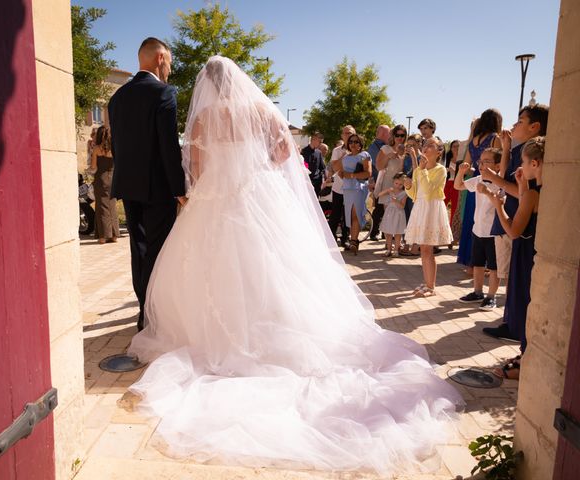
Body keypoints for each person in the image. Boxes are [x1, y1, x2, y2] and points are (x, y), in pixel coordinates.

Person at [127, 56, 462, 474]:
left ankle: (215, 335)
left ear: (207, 85)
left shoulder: (204, 118)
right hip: (256, 194)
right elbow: (285, 151)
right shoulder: (262, 111)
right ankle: (274, 327)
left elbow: (195, 168)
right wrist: (255, 169)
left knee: (212, 269)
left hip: (218, 200)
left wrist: (212, 184)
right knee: (273, 268)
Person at [108, 37, 187, 331]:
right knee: (158, 250)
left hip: (128, 184)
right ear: (159, 59)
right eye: (169, 61)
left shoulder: (117, 98)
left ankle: (144, 310)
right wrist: (179, 189)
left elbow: (118, 146)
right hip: (158, 188)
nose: (169, 68)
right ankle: (153, 314)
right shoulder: (163, 93)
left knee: (138, 250)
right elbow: (169, 146)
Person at [480, 104, 548, 341]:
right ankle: (511, 322)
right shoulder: (522, 152)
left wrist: (494, 184)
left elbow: (520, 195)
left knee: (519, 282)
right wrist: (507, 148)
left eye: (520, 121)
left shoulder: (532, 157)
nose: (514, 124)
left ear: (534, 127)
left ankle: (516, 327)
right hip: (515, 221)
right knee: (513, 279)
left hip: (517, 225)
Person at [483, 137, 545, 380]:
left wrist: (497, 205)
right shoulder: (537, 191)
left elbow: (514, 231)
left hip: (525, 253)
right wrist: (521, 187)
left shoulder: (531, 195)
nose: (520, 167)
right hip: (533, 251)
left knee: (524, 301)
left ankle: (526, 358)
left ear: (536, 164)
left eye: (524, 162)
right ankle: (525, 353)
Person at [454, 148, 502, 310]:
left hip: (494, 232)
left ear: (497, 165)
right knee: (478, 263)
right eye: (480, 161)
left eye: (487, 161)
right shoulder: (478, 179)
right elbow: (458, 185)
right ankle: (477, 292)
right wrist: (461, 172)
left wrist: (488, 192)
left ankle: (491, 296)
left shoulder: (501, 182)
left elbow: (501, 203)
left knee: (494, 267)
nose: (481, 164)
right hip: (478, 229)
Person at [404, 138, 452, 297]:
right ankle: (427, 283)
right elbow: (415, 194)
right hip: (421, 207)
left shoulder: (441, 170)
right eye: (425, 145)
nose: (425, 147)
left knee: (428, 249)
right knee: (423, 249)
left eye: (430, 145)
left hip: (431, 209)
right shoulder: (419, 169)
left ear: (439, 152)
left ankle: (431, 287)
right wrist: (408, 187)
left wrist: (423, 170)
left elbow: (431, 190)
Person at [456, 109, 502, 269]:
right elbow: (501, 161)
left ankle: (471, 263)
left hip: (473, 181)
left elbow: (468, 166)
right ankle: (489, 264)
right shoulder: (495, 138)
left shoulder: (473, 140)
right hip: (490, 181)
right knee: (488, 222)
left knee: (472, 222)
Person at [340, 133, 372, 255]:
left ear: (361, 144)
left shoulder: (364, 155)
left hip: (359, 188)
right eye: (351, 141)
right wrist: (341, 174)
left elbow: (368, 173)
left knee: (355, 214)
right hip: (347, 189)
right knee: (350, 215)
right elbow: (338, 170)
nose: (353, 144)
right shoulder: (346, 157)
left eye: (356, 142)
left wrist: (351, 175)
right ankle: (353, 240)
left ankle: (353, 241)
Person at [90, 126, 120, 243]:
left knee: (101, 207)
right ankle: (114, 235)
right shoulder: (114, 148)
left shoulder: (96, 149)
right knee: (112, 207)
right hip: (112, 179)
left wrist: (89, 170)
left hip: (100, 180)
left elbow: (93, 167)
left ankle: (102, 237)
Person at [374, 125, 406, 226]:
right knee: (388, 215)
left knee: (399, 216)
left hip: (403, 187)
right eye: (397, 135)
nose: (400, 138)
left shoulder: (408, 150)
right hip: (388, 185)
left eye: (402, 135)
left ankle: (394, 239)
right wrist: (388, 157)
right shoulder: (386, 148)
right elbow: (379, 167)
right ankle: (388, 240)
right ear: (393, 136)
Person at [328, 126, 355, 247]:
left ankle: (346, 238)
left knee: (348, 215)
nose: (347, 135)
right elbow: (335, 167)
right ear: (342, 136)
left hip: (352, 188)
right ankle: (331, 237)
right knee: (335, 214)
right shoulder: (337, 150)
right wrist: (345, 157)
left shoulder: (359, 151)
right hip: (338, 188)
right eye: (345, 133)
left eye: (350, 133)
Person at [366, 125, 390, 240]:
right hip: (379, 183)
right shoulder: (375, 147)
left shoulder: (380, 146)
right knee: (380, 208)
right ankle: (374, 232)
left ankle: (384, 232)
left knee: (386, 208)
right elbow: (378, 164)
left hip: (386, 182)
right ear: (384, 134)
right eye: (389, 133)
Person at [378, 172, 407, 257]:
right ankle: (388, 249)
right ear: (393, 182)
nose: (398, 186)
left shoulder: (404, 193)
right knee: (388, 232)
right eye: (396, 183)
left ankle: (396, 250)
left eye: (400, 184)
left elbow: (402, 206)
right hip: (389, 213)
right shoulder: (391, 190)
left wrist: (396, 201)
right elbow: (379, 195)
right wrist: (387, 190)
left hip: (398, 214)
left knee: (398, 233)